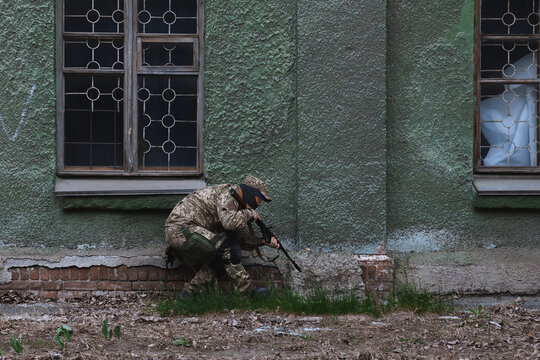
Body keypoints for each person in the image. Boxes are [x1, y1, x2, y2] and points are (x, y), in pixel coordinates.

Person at [165, 175, 279, 295]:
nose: (260, 204)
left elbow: (239, 239)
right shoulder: (228, 195)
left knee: (218, 258)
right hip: (181, 229)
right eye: (260, 198)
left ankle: (187, 295)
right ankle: (249, 291)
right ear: (250, 192)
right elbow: (229, 224)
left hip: (186, 230)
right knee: (227, 251)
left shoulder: (236, 204)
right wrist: (249, 214)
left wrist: (262, 241)